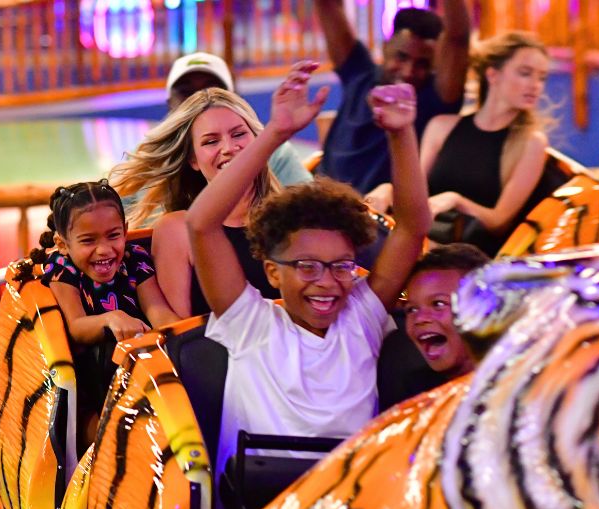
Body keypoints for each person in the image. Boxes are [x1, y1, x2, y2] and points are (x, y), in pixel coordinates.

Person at [185, 62, 430, 479]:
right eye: (307, 266)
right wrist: (275, 134)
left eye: (341, 267)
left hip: (348, 499)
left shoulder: (361, 318)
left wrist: (401, 133)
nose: (326, 281)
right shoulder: (251, 324)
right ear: (273, 272)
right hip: (260, 504)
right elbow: (200, 224)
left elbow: (412, 226)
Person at [364, 31, 563, 255]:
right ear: (493, 75)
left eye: (542, 78)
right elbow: (414, 194)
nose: (536, 85)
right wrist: (388, 190)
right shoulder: (441, 126)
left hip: (473, 258)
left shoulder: (531, 142)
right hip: (423, 244)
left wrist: (456, 200)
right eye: (525, 73)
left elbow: (499, 222)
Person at [29, 180, 179, 448]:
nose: (104, 250)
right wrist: (111, 319)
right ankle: (107, 448)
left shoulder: (135, 260)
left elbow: (158, 311)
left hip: (136, 361)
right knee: (107, 349)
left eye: (113, 236)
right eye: (88, 240)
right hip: (89, 375)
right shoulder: (62, 270)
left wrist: (185, 336)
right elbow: (76, 326)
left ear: (125, 231)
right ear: (63, 244)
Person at [111, 89, 284, 318]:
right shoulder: (177, 230)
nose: (228, 148)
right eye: (211, 141)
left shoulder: (293, 217)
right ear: (193, 159)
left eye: (239, 134)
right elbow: (180, 336)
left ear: (258, 141)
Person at [116, 51, 313, 231]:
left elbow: (314, 212)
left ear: (232, 96)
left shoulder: (275, 151)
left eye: (211, 89)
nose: (200, 99)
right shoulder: (148, 158)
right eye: (187, 92)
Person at [314, 0, 471, 194]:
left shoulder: (435, 98)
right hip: (320, 199)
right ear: (386, 47)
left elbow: (459, 37)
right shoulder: (359, 72)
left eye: (422, 63)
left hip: (380, 213)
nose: (408, 71)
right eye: (402, 57)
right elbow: (327, 5)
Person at [378, 243, 489, 409]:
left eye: (438, 304)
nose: (420, 318)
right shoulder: (414, 396)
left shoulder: (527, 387)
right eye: (412, 309)